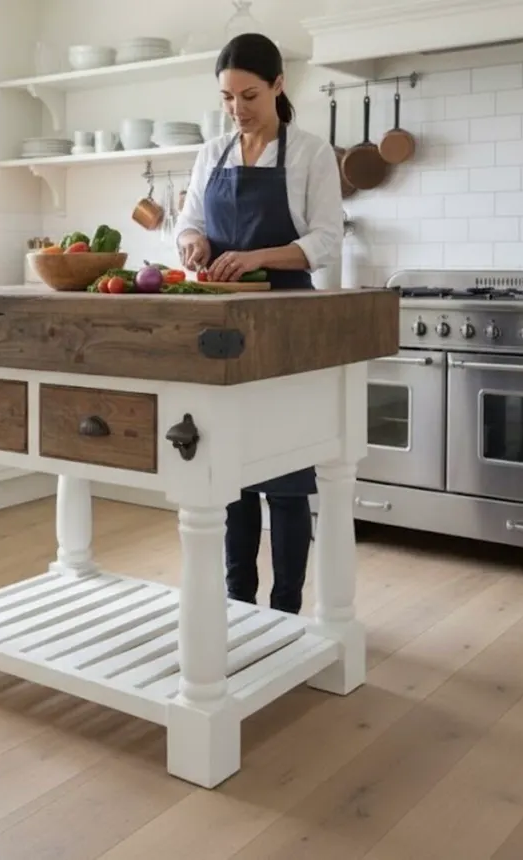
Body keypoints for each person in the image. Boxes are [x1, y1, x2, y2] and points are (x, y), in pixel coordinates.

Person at [173, 32, 344, 615]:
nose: (237, 110)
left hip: (287, 328)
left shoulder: (310, 154)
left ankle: (287, 611)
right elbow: (188, 223)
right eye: (226, 98)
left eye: (249, 95)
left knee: (289, 481)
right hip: (221, 331)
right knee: (233, 479)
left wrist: (257, 257)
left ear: (277, 85)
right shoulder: (210, 154)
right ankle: (238, 604)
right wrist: (193, 243)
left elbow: (325, 240)